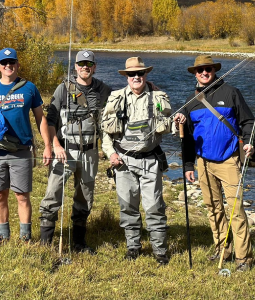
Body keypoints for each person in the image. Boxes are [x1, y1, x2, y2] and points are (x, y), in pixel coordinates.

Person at [173, 55, 255, 271]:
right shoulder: (190, 103)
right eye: (199, 70)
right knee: (213, 208)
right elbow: (188, 139)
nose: (203, 73)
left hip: (229, 160)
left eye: (207, 69)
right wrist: (188, 166)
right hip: (203, 163)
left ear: (214, 70)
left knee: (235, 210)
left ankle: (243, 259)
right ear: (194, 73)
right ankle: (222, 248)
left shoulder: (231, 93)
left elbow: (248, 121)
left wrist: (249, 142)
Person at [0, 48, 52, 242]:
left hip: (21, 150)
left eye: (12, 62)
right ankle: (3, 237)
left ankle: (25, 238)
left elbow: (41, 119)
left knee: (22, 196)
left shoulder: (29, 88)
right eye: (4, 63)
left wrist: (47, 145)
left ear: (17, 65)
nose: (8, 66)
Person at [100, 57, 174, 265]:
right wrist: (110, 154)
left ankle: (160, 250)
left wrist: (178, 122)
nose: (136, 77)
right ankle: (133, 247)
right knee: (128, 206)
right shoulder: (115, 98)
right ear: (126, 76)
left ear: (146, 75)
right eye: (132, 74)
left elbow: (170, 125)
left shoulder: (159, 96)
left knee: (154, 207)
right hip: (123, 161)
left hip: (150, 160)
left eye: (140, 73)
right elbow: (105, 131)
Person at [38, 50, 113, 252]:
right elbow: (50, 120)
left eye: (89, 64)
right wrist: (55, 145)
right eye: (81, 64)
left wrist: (150, 86)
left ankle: (79, 243)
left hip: (90, 152)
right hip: (65, 151)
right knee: (52, 195)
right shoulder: (63, 89)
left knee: (84, 198)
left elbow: (124, 97)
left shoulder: (103, 89)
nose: (85, 67)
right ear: (76, 67)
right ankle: (45, 244)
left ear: (94, 67)